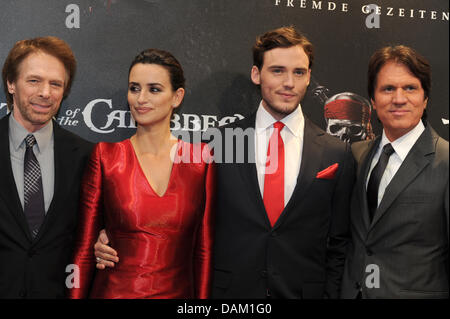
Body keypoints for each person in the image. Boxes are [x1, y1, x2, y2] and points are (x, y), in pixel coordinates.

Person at [95, 26, 355, 299]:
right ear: (257, 74)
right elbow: (183, 219)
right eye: (277, 70)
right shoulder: (216, 146)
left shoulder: (336, 153)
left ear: (308, 77)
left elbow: (339, 244)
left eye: (298, 72)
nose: (288, 82)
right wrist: (113, 235)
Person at [68, 49, 215, 299]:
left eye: (154, 89)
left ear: (177, 97)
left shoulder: (200, 160)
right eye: (134, 88)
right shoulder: (106, 156)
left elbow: (204, 249)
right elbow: (84, 248)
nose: (140, 98)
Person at [341, 45, 449, 299]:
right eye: (388, 89)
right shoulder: (356, 155)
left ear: (425, 99)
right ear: (373, 101)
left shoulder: (445, 161)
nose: (398, 99)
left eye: (410, 88)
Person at [0, 36, 93, 298]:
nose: (45, 92)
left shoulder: (87, 157)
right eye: (34, 80)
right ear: (11, 83)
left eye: (56, 84)